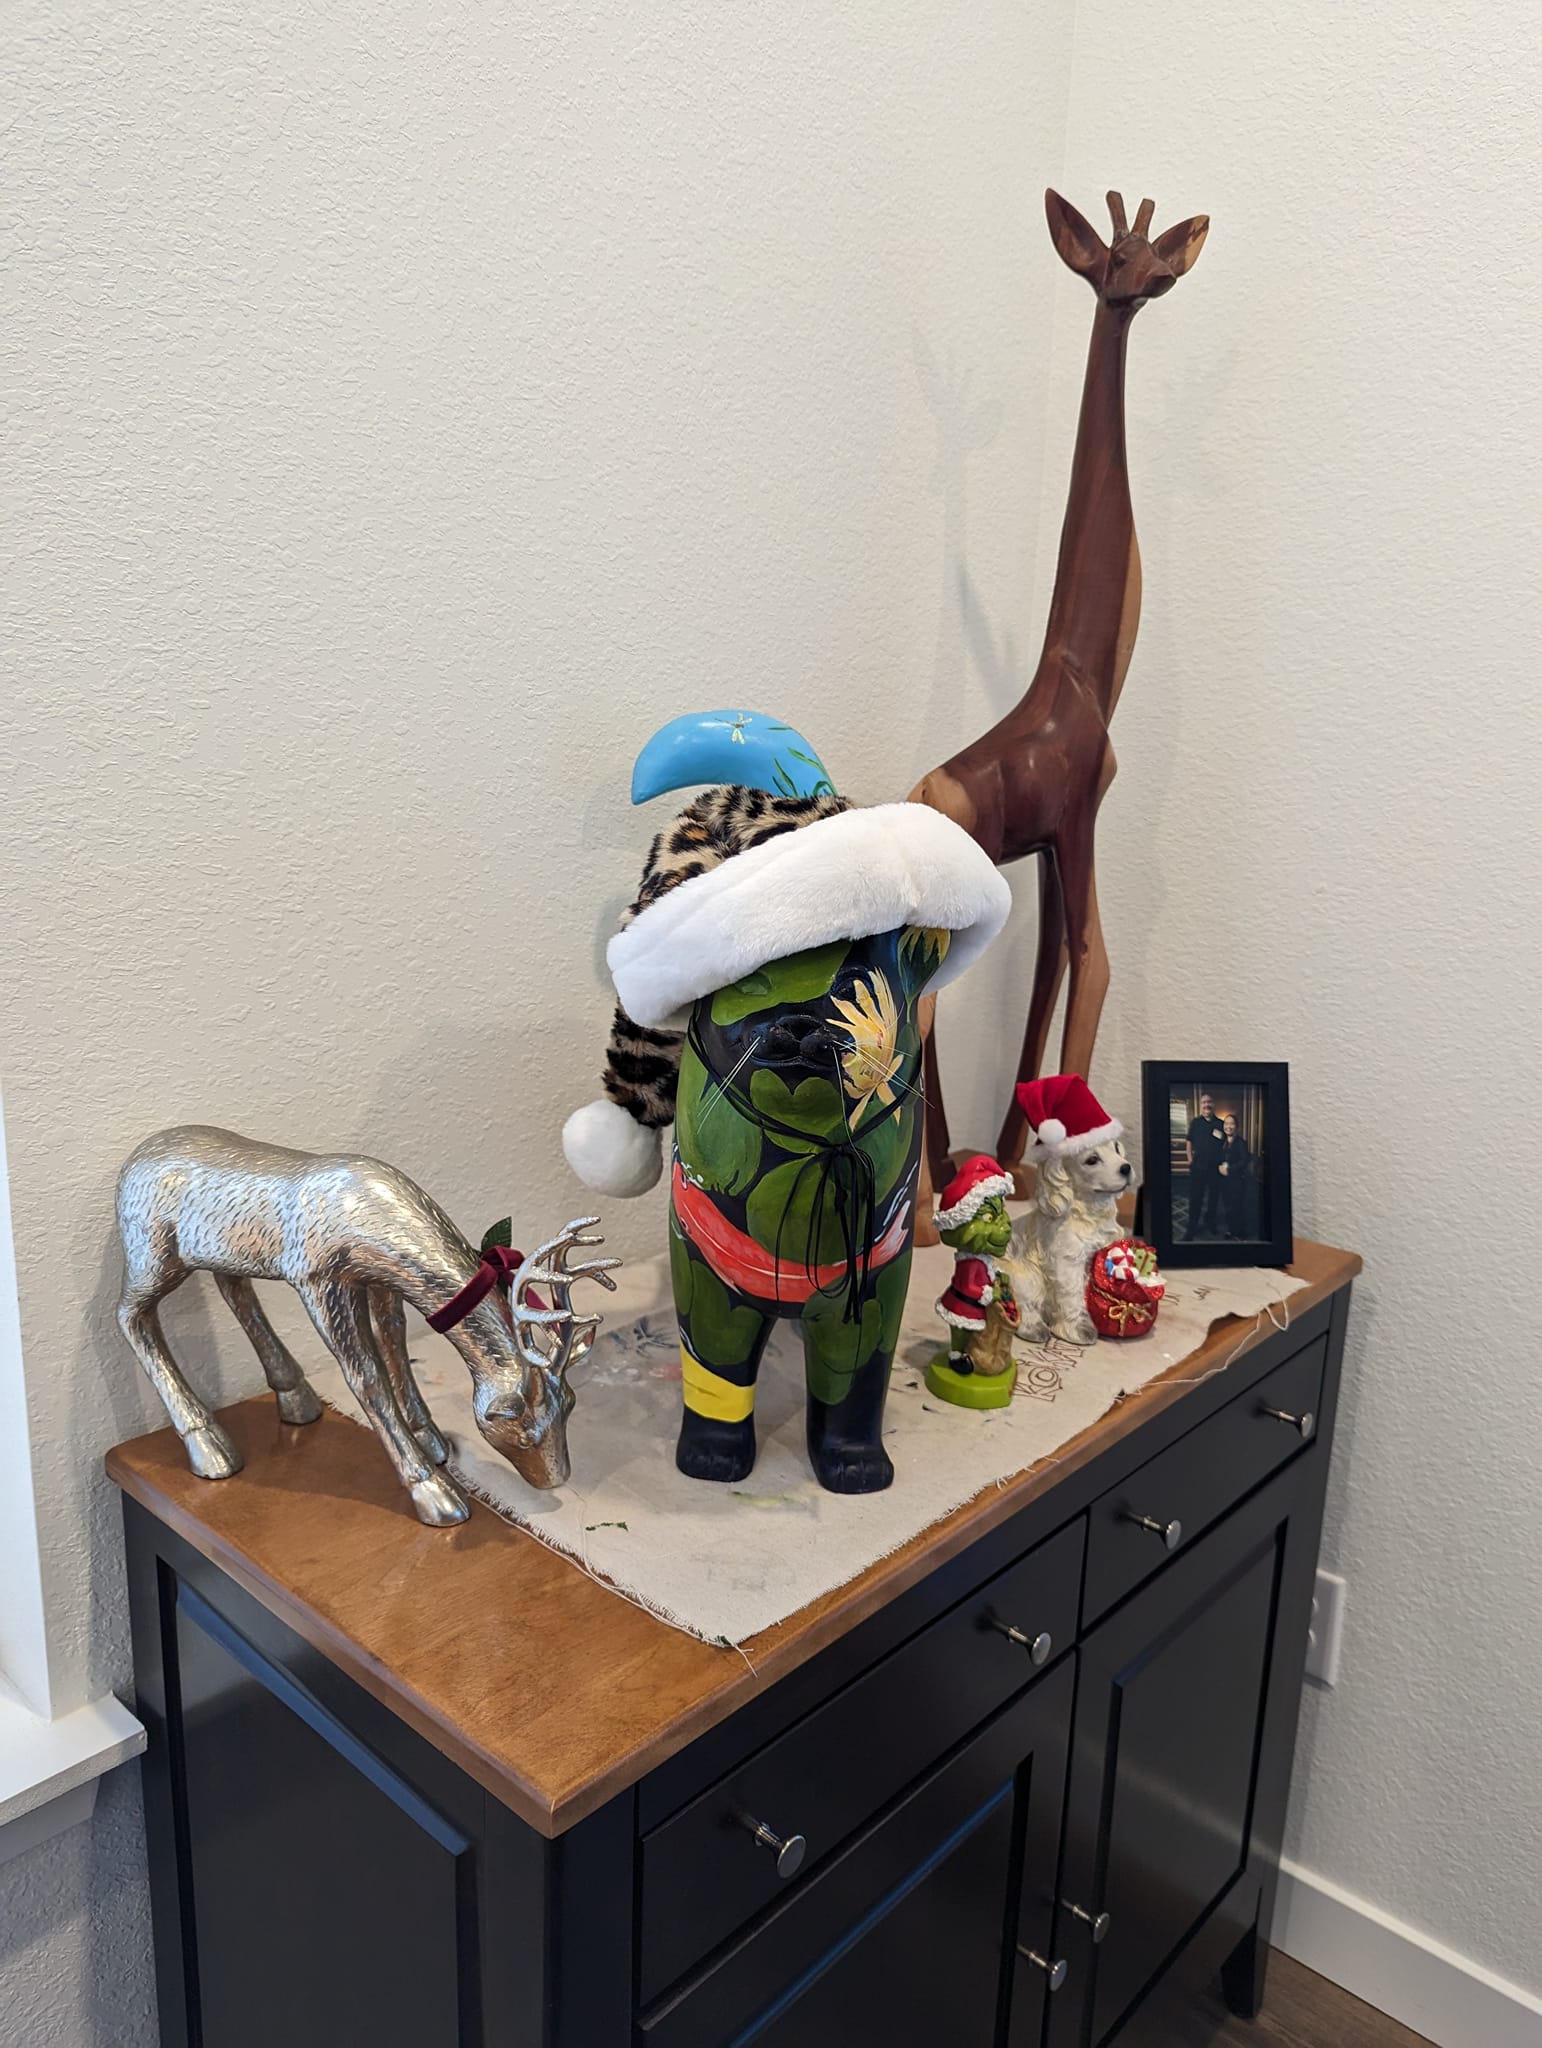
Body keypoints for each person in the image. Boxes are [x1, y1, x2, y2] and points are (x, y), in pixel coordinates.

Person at [1183, 1090, 1225, 1239]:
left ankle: (1210, 1222)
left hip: (1215, 1168)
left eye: (1209, 1102)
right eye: (1204, 1102)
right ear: (1201, 1105)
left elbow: (1225, 1144)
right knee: (1196, 1198)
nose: (1207, 1105)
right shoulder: (1195, 1123)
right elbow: (1189, 1142)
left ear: (1213, 1105)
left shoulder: (1220, 1124)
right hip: (1198, 1167)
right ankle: (1191, 1227)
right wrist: (1190, 1159)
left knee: (1214, 1198)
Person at [1217, 1112, 1254, 1238]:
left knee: (1237, 1207)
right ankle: (1231, 1230)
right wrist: (1219, 1167)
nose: (1228, 1126)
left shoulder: (1241, 1142)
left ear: (1236, 1127)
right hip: (1225, 1181)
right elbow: (1219, 1158)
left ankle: (1240, 1232)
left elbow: (1244, 1161)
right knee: (1227, 1206)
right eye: (1226, 1123)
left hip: (1237, 1180)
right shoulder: (1222, 1142)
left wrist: (1229, 1169)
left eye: (1231, 1124)